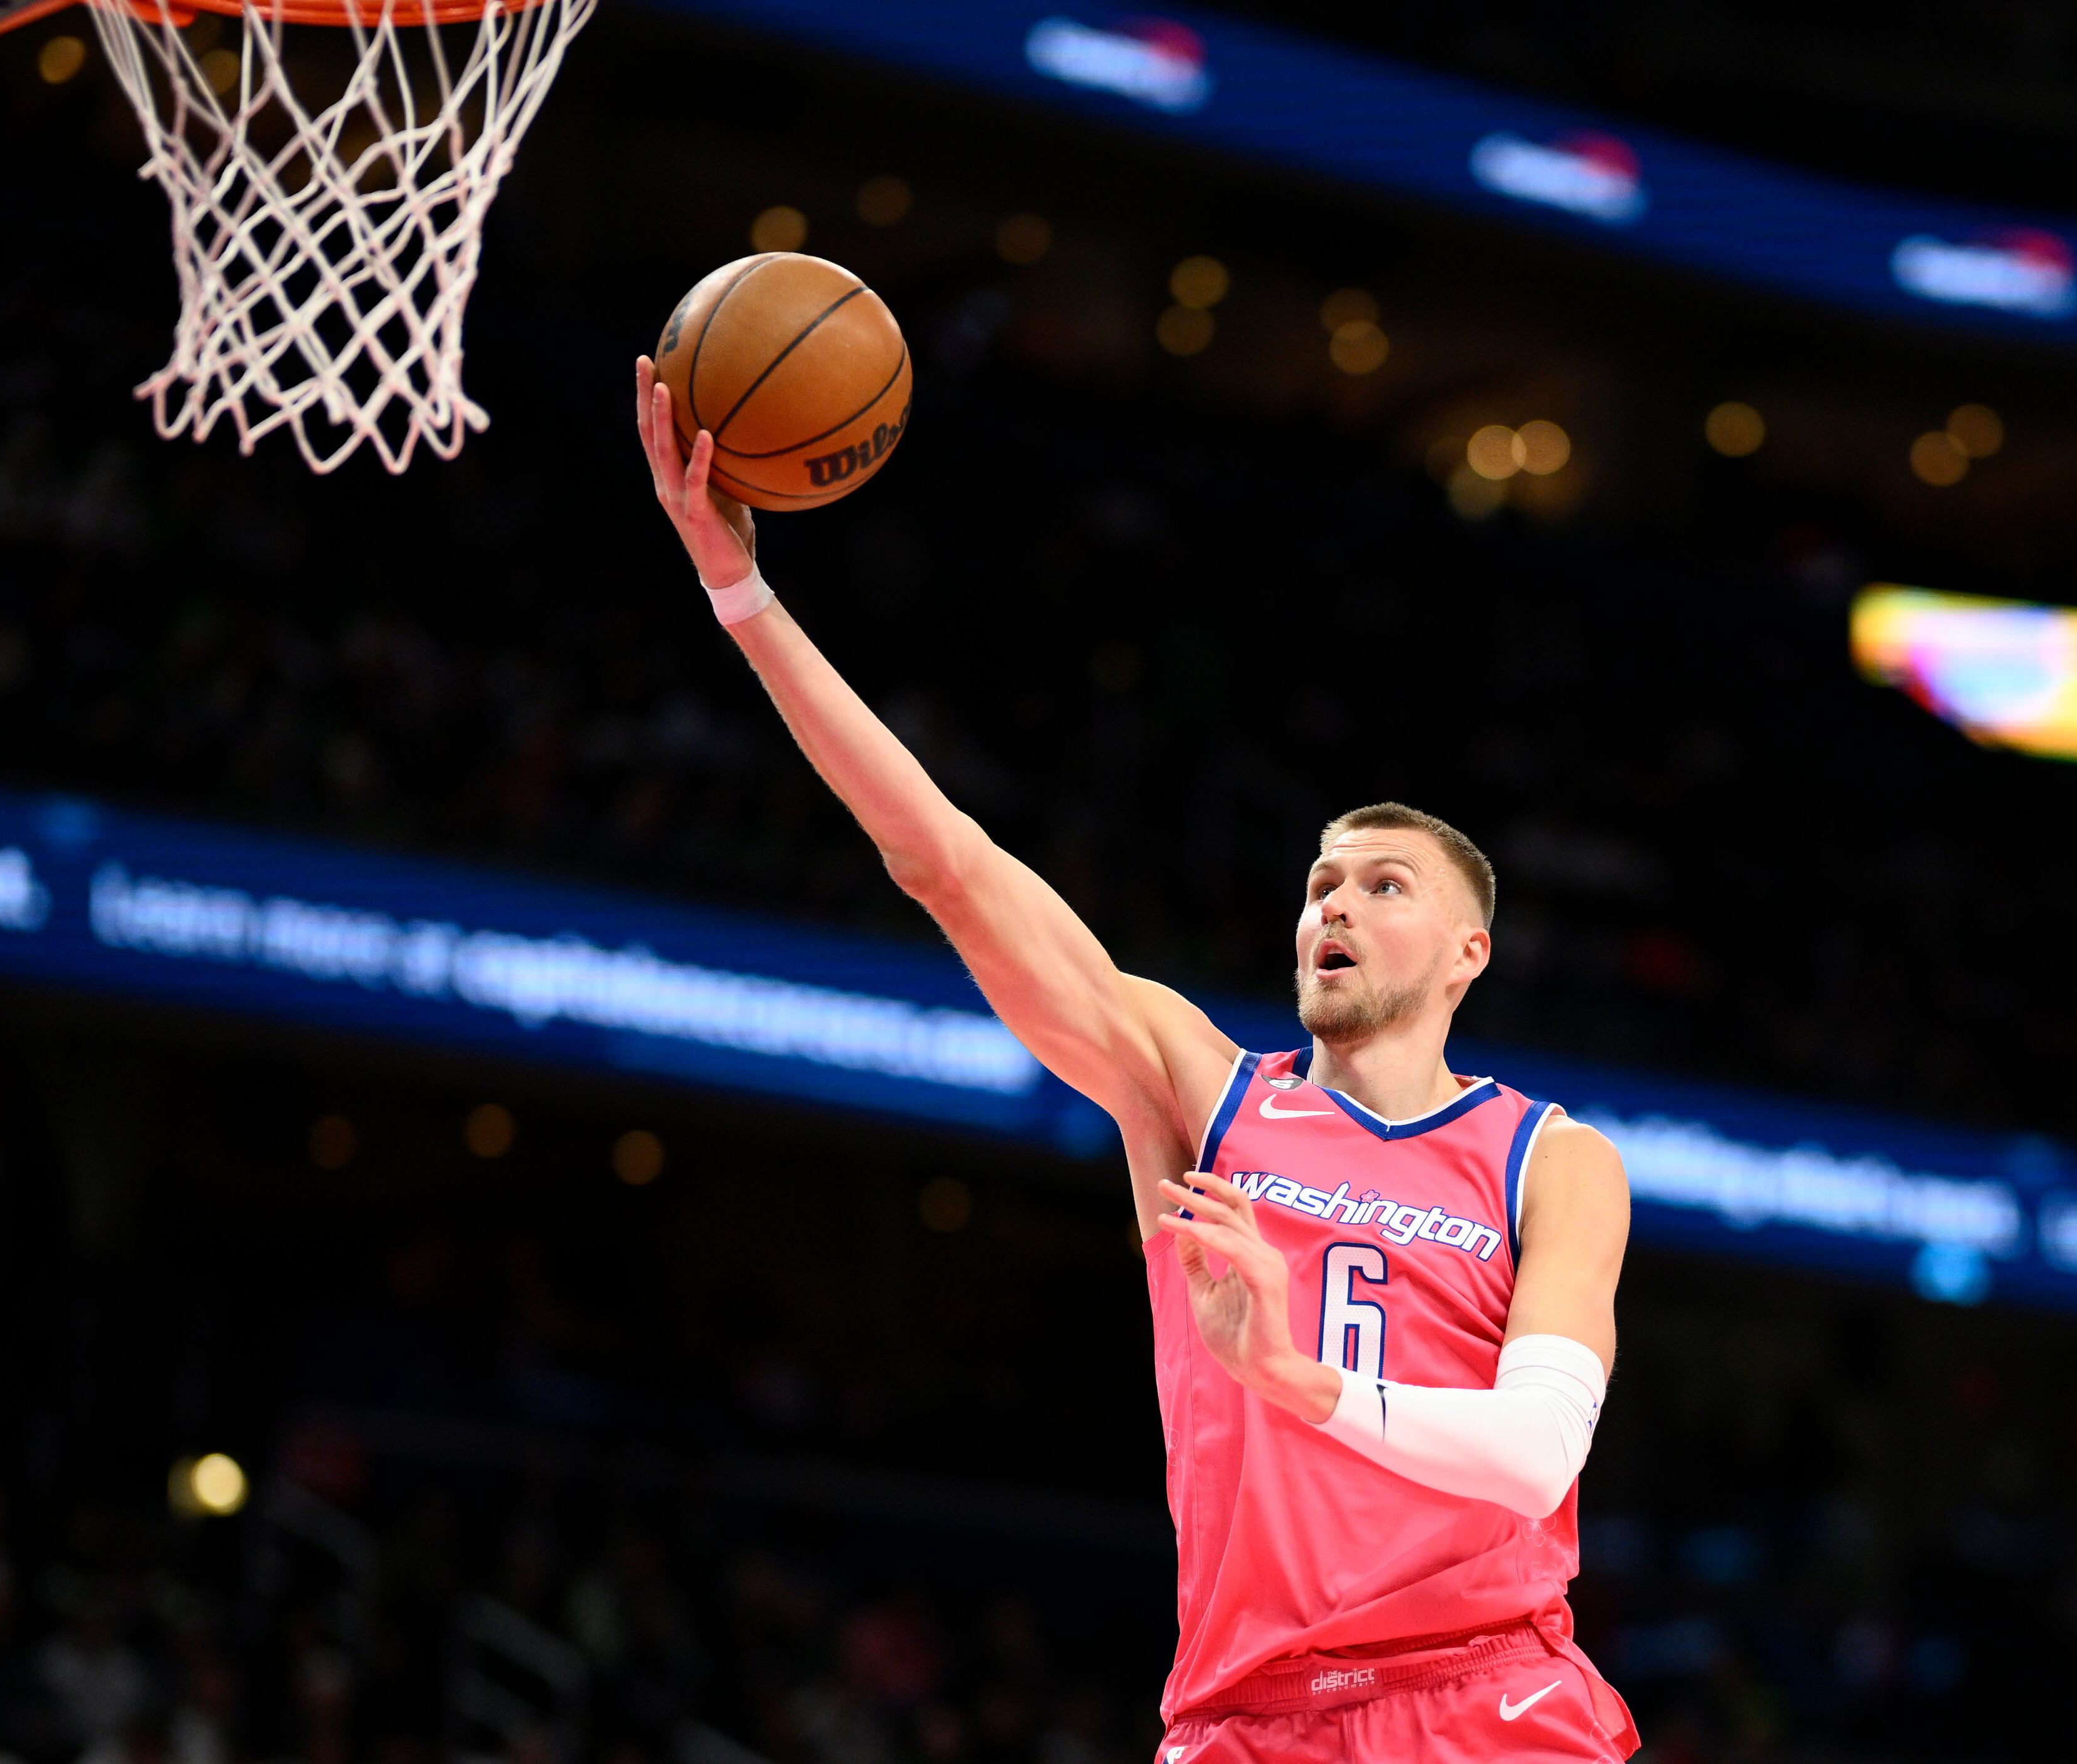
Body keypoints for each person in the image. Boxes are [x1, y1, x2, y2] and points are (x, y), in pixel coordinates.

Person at [635, 363, 1639, 1763]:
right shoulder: (1203, 1092)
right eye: (1320, 881)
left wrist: (1301, 1382)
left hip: (1485, 1698)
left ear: (1469, 951)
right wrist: (743, 597)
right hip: (1247, 1716)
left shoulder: (1555, 1159)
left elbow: (1538, 1457)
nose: (1335, 905)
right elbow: (945, 862)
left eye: (1383, 885)